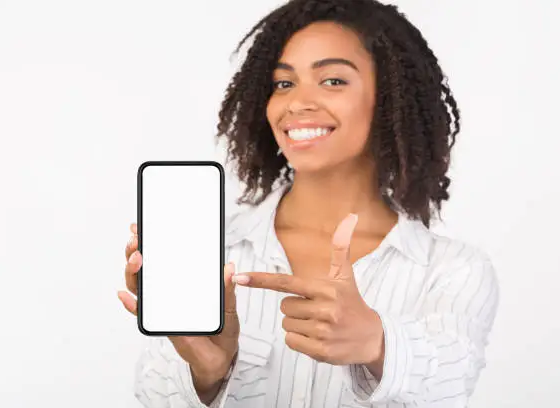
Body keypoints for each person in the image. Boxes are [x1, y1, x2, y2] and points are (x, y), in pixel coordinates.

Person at [118, 0, 500, 406]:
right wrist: (208, 374)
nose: (297, 102)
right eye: (284, 83)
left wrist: (378, 343)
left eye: (333, 80)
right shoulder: (218, 250)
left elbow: (452, 381)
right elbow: (152, 395)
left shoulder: (451, 271)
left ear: (389, 97)